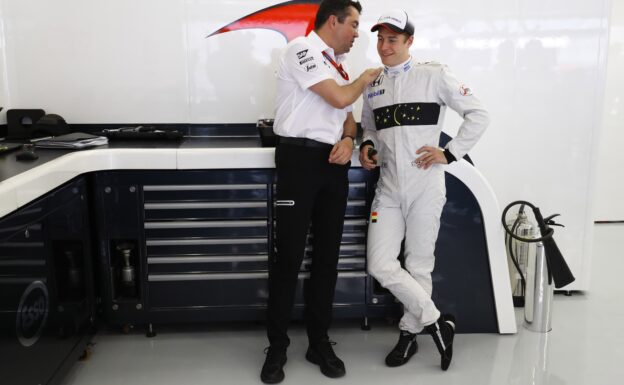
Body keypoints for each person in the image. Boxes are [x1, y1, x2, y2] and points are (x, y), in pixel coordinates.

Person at [359, 9, 490, 371]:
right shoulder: (372, 84)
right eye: (380, 39)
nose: (384, 47)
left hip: (425, 187)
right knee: (380, 263)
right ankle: (436, 323)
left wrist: (449, 153)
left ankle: (408, 335)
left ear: (409, 42)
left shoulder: (433, 75)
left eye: (393, 40)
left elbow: (478, 114)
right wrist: (367, 146)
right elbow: (369, 128)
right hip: (388, 187)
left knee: (419, 264)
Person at [261, 1, 383, 383]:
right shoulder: (302, 50)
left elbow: (346, 117)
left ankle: (318, 341)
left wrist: (349, 139)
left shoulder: (335, 63)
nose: (357, 33)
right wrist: (367, 78)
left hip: (334, 166)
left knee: (327, 258)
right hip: (298, 162)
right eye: (354, 24)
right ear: (333, 21)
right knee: (289, 257)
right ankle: (277, 347)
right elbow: (341, 98)